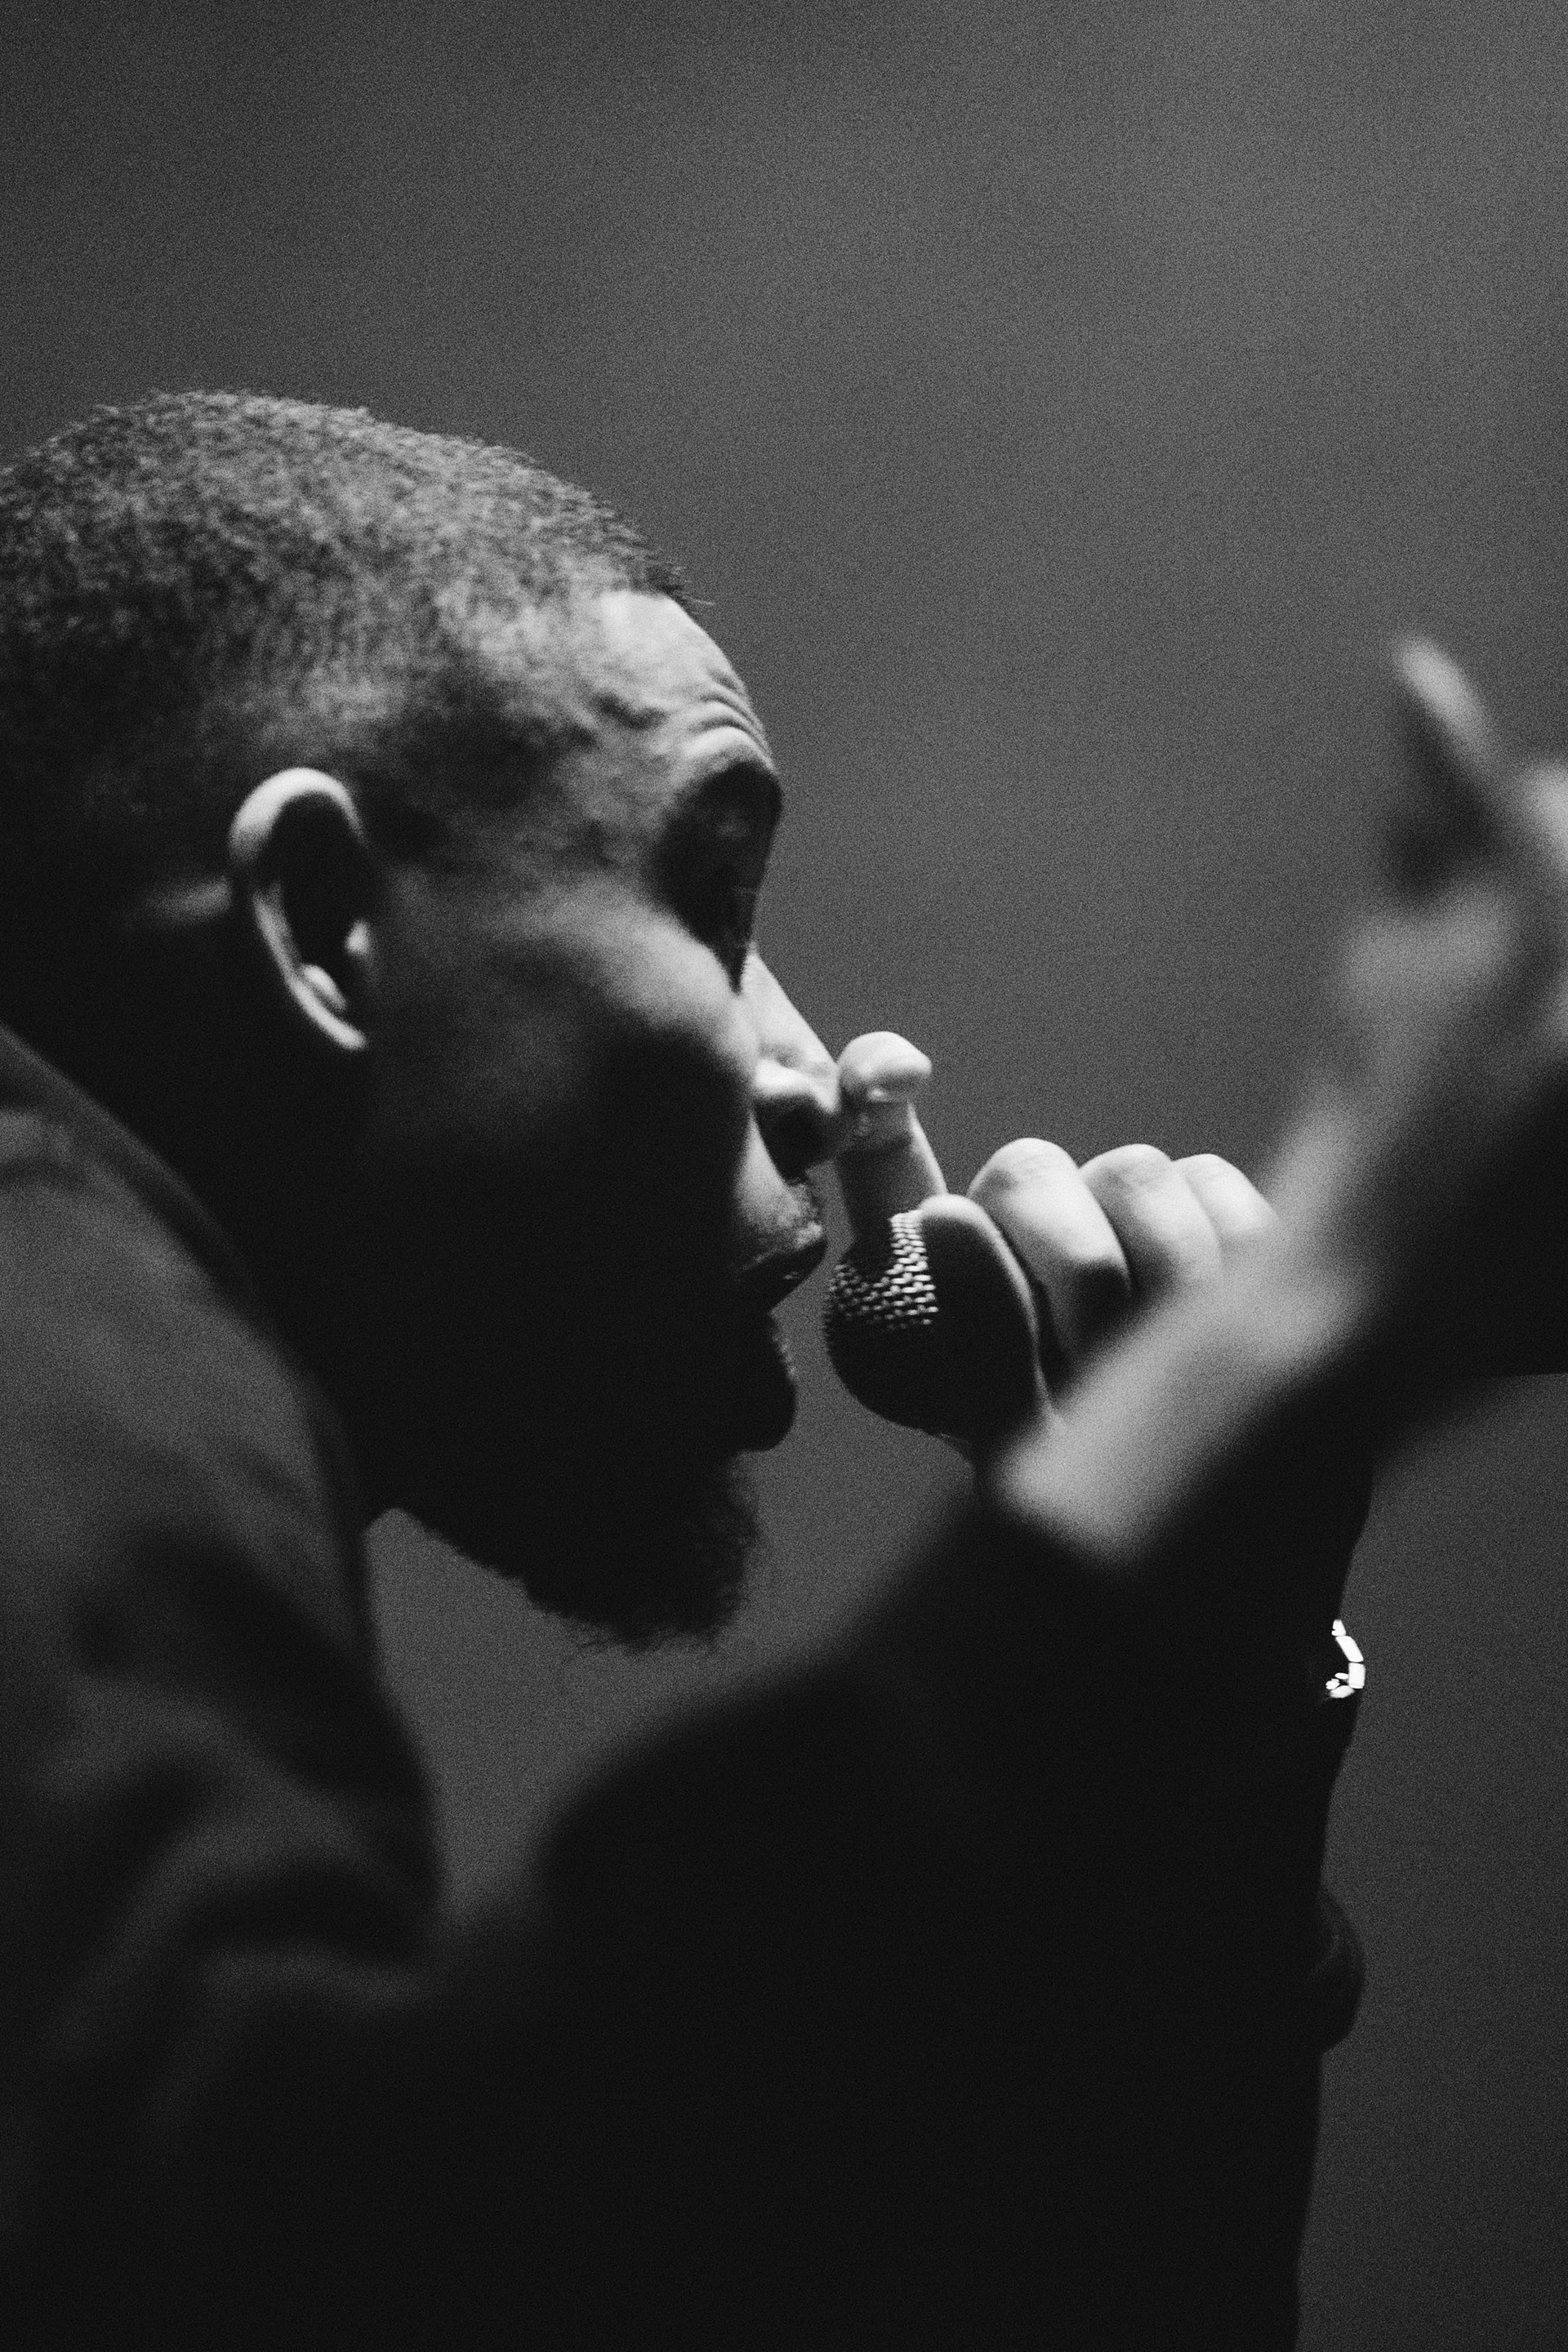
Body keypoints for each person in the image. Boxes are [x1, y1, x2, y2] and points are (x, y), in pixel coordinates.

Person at [0, 392, 1544, 2349]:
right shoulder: (45, 1301)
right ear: (320, 926)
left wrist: (1207, 1670)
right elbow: (314, 2264)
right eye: (714, 899)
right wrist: (1297, 1323)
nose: (826, 1075)